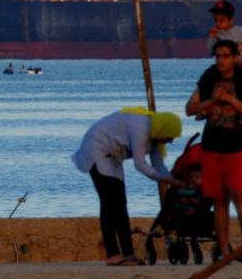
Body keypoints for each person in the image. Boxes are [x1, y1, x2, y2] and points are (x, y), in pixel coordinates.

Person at [186, 39, 242, 263]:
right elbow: (190, 108)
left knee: (241, 197)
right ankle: (224, 250)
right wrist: (211, 101)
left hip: (239, 149)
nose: (220, 60)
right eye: (217, 56)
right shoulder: (208, 80)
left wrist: (230, 99)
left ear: (235, 58)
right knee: (219, 200)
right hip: (212, 149)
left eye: (225, 56)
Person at [72, 109, 184, 266]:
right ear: (162, 129)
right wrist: (164, 179)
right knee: (110, 204)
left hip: (113, 157)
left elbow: (158, 164)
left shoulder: (155, 135)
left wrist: (172, 179)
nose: (171, 141)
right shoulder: (140, 129)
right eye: (170, 136)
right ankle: (113, 254)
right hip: (97, 150)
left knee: (121, 204)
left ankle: (128, 253)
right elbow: (140, 164)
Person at [206, 0, 242, 67]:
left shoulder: (240, 31)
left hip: (239, 68)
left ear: (231, 20)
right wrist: (212, 38)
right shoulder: (217, 35)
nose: (218, 24)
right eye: (216, 21)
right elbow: (211, 50)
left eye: (221, 21)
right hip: (223, 69)